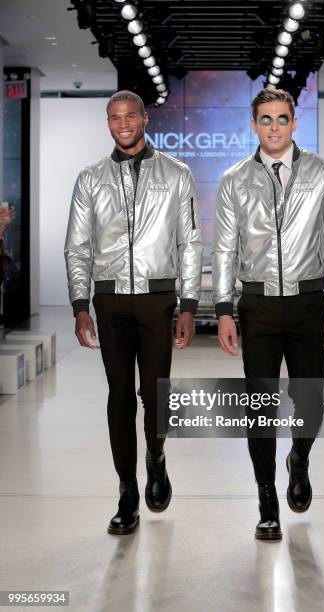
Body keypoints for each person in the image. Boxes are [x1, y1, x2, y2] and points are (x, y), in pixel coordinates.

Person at [212, 87, 324, 541]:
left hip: (308, 301)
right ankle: (266, 501)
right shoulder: (235, 179)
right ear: (253, 125)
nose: (274, 127)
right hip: (256, 305)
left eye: (281, 118)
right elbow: (224, 249)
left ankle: (299, 458)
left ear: (295, 123)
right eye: (265, 119)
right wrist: (222, 310)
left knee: (310, 403)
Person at [64, 90, 202, 535]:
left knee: (155, 394)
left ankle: (156, 457)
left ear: (144, 118)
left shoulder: (177, 173)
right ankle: (127, 490)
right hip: (110, 299)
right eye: (113, 117)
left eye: (129, 115)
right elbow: (77, 245)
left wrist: (189, 304)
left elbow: (190, 243)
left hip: (158, 298)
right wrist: (79, 304)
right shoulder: (90, 179)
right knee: (119, 395)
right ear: (108, 122)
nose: (122, 123)